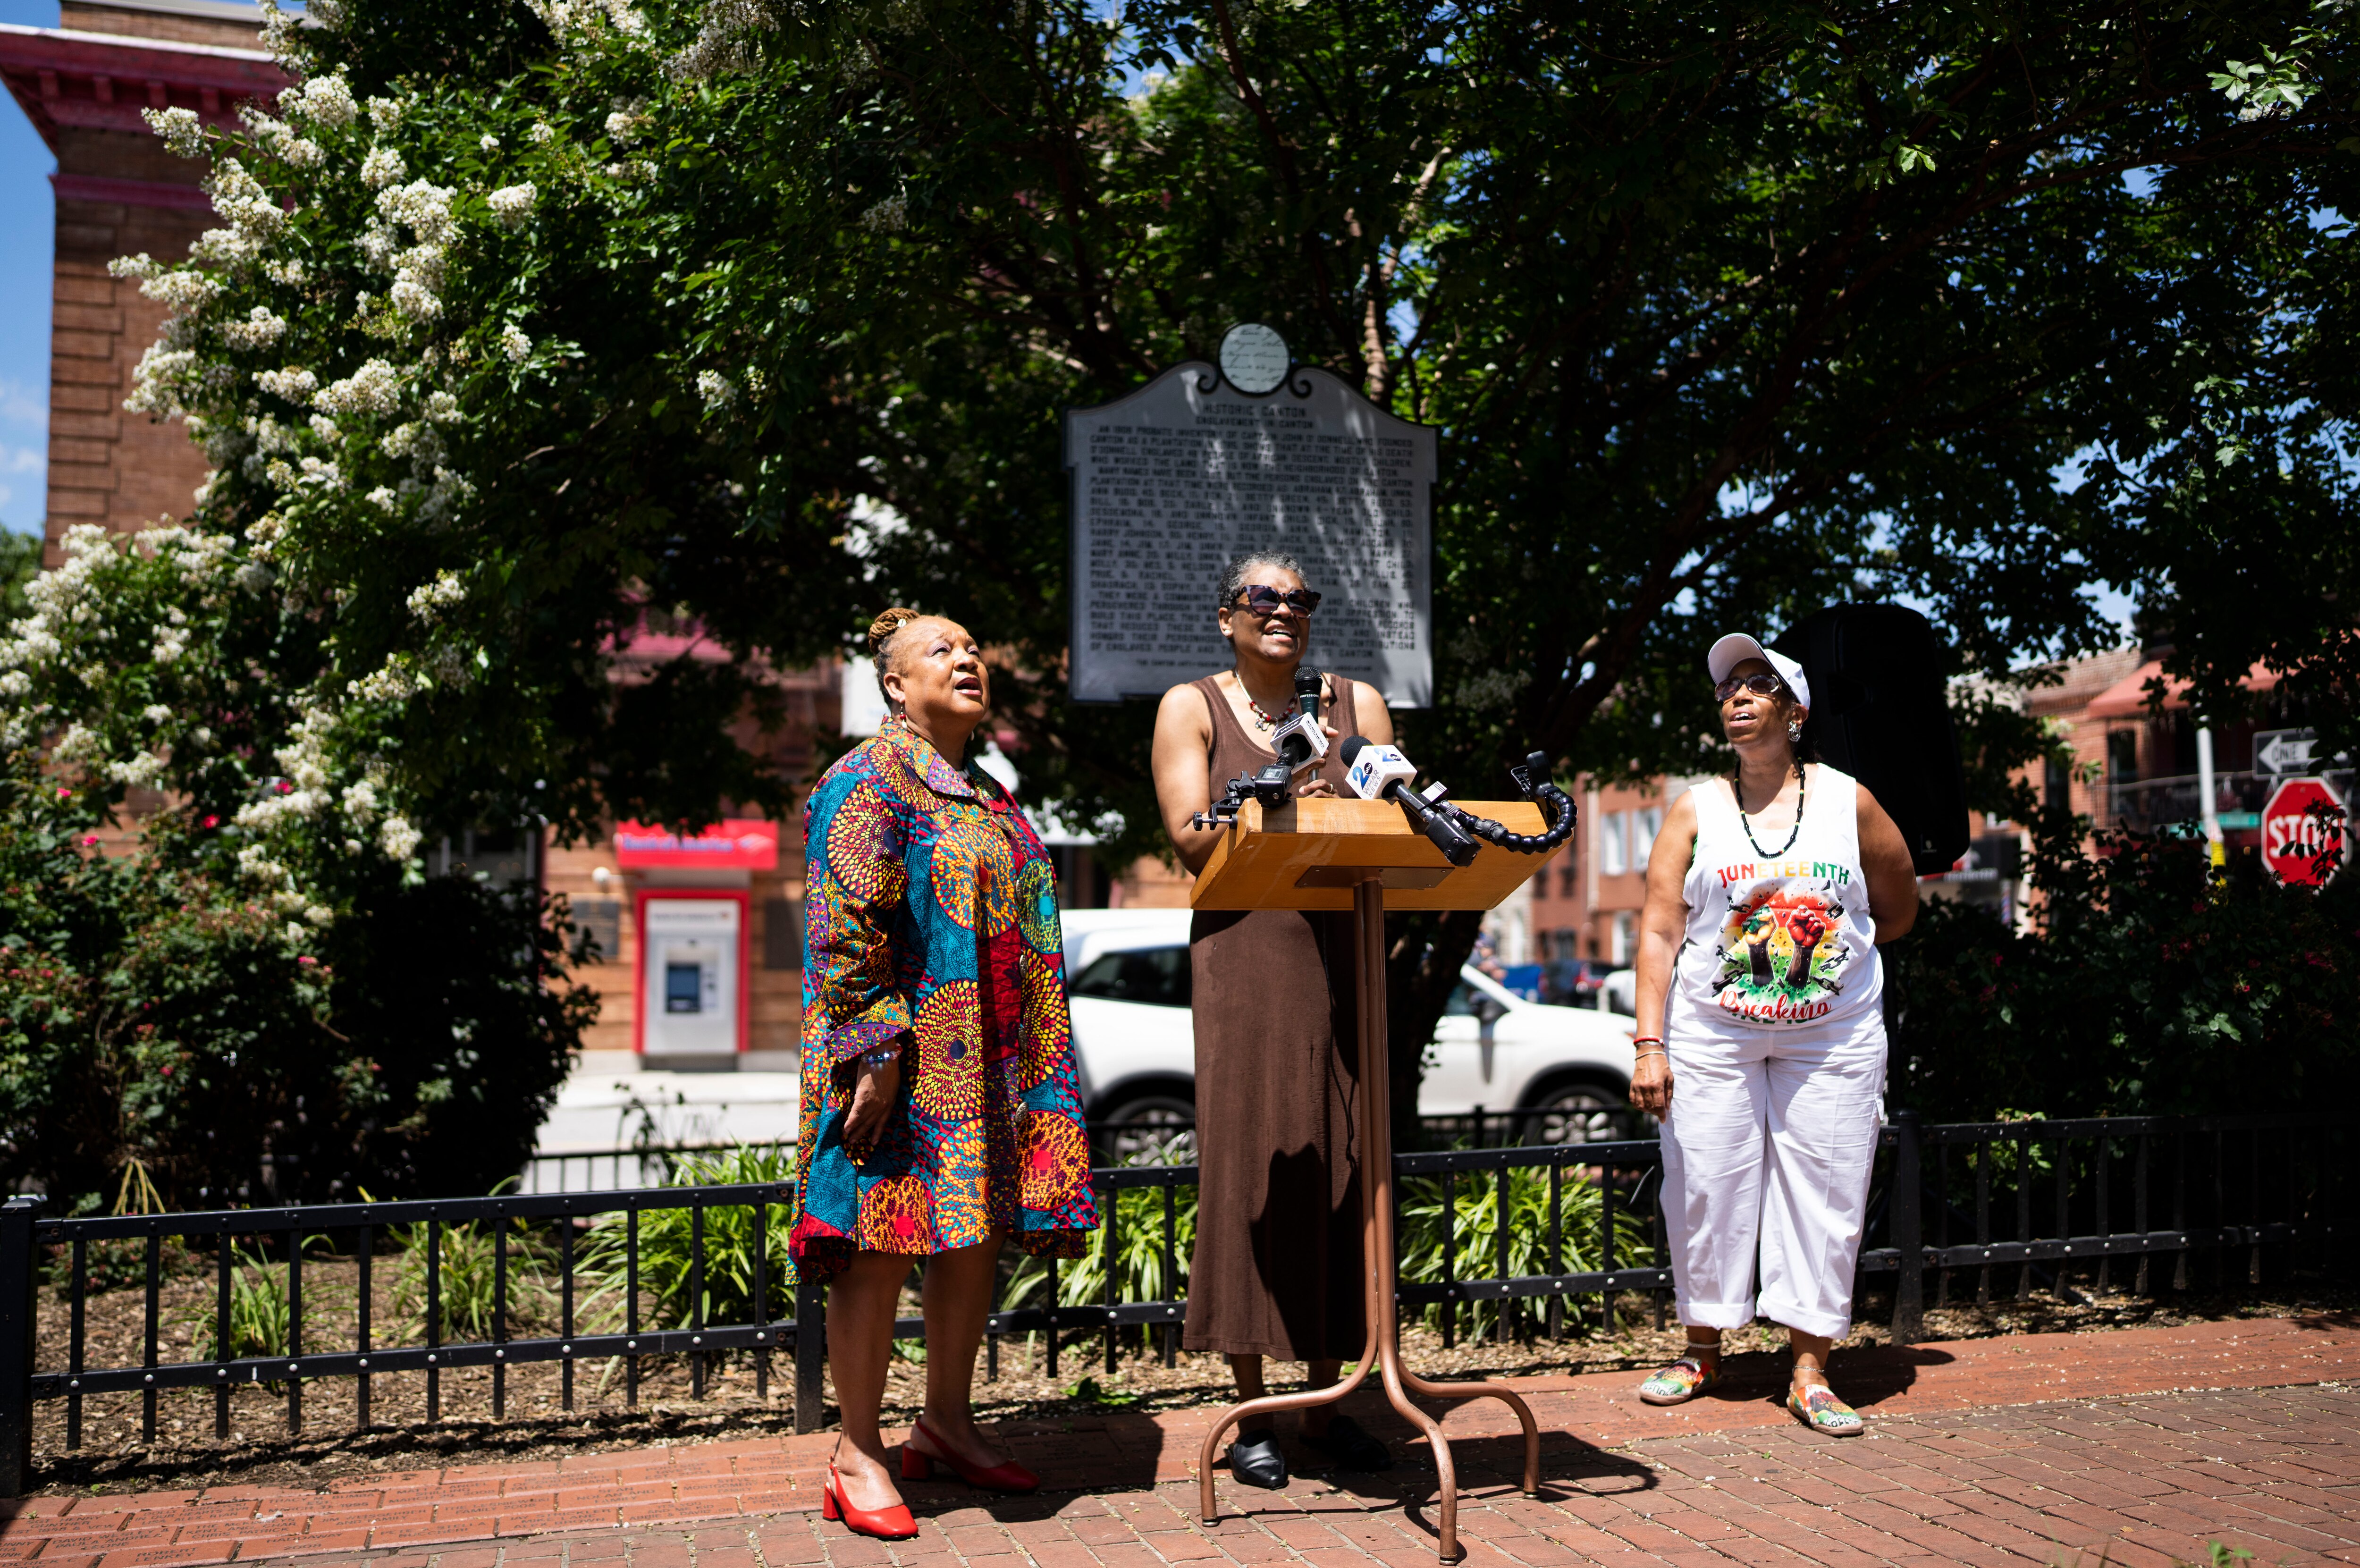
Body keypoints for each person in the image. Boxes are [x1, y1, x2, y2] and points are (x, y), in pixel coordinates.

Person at [793, 608, 1099, 1537]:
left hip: (983, 1063)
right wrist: (874, 1059)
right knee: (881, 1244)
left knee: (970, 1234)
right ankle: (857, 1447)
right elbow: (845, 936)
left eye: (974, 645)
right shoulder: (866, 782)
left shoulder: (982, 789)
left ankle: (946, 1422)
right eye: (942, 649)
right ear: (894, 683)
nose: (968, 656)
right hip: (895, 1061)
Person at [1626, 632, 1918, 1436]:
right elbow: (1658, 931)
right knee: (1706, 1182)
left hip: (1832, 1038)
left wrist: (1823, 966)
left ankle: (1809, 1369)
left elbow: (1899, 906)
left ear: (1796, 711)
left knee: (1826, 1191)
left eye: (1757, 685)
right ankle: (1702, 1348)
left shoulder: (1847, 799)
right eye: (1728, 690)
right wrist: (1649, 1043)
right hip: (1712, 1034)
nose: (1738, 698)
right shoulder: (1696, 806)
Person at [1148, 552, 1397, 1489]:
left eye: (1301, 599)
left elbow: (1394, 803)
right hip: (1247, 952)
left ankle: (1326, 1402)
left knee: (1343, 1159)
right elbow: (1187, 833)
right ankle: (1253, 1409)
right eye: (1264, 597)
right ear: (1227, 615)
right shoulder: (1191, 706)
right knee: (1253, 1160)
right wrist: (1288, 799)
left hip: (1343, 946)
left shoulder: (1353, 702)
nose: (1284, 610)